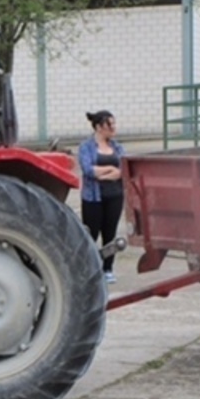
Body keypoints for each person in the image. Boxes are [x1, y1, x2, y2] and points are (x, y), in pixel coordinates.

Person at [78, 110, 126, 284]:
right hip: (93, 198)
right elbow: (88, 170)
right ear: (98, 127)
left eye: (114, 124)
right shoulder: (86, 147)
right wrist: (110, 171)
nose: (113, 128)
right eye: (109, 125)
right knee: (91, 234)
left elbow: (123, 171)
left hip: (115, 196)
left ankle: (108, 268)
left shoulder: (118, 147)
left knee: (110, 234)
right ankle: (89, 268)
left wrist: (105, 173)